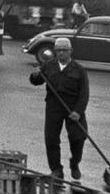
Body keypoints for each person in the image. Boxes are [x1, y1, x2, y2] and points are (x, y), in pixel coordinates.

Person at [30, 36, 90, 181]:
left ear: (70, 51)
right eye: (58, 51)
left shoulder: (79, 70)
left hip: (73, 108)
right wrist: (35, 75)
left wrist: (78, 111)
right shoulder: (48, 66)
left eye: (64, 50)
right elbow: (36, 81)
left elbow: (84, 94)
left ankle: (74, 163)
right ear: (55, 52)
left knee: (78, 138)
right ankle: (56, 169)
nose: (61, 53)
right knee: (51, 139)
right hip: (54, 106)